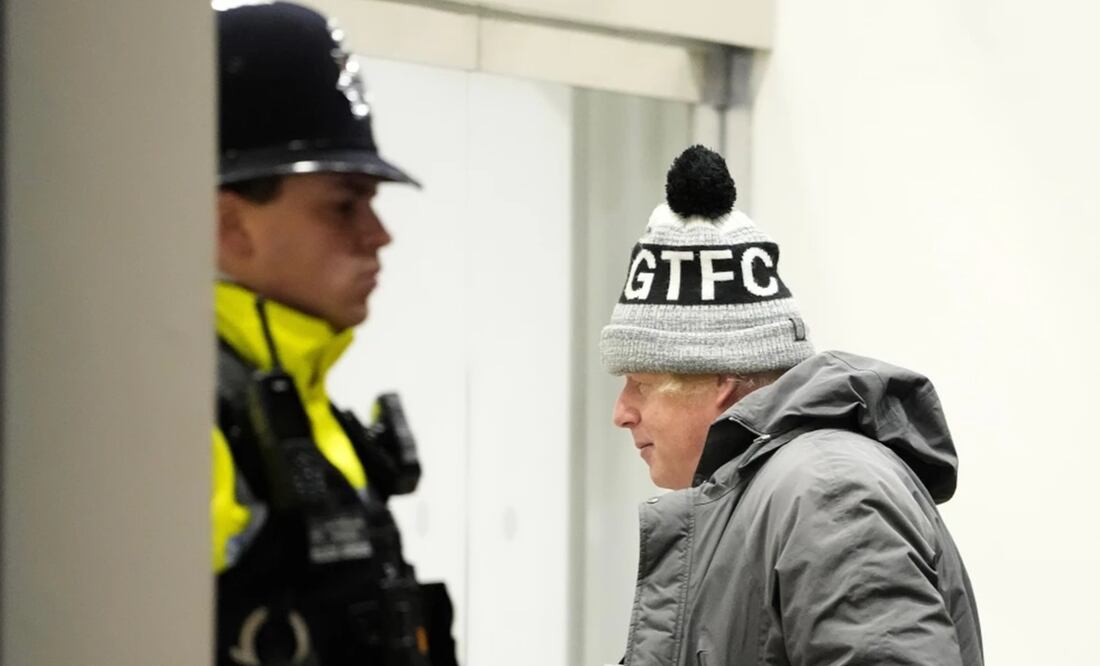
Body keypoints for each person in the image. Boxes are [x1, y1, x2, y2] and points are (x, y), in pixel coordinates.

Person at [600, 145, 983, 665]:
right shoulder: (771, 496)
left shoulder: (828, 490)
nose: (622, 412)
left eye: (641, 383)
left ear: (719, 377)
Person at [212, 3, 455, 665]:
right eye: (344, 204)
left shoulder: (307, 409)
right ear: (229, 226)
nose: (378, 235)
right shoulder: (177, 422)